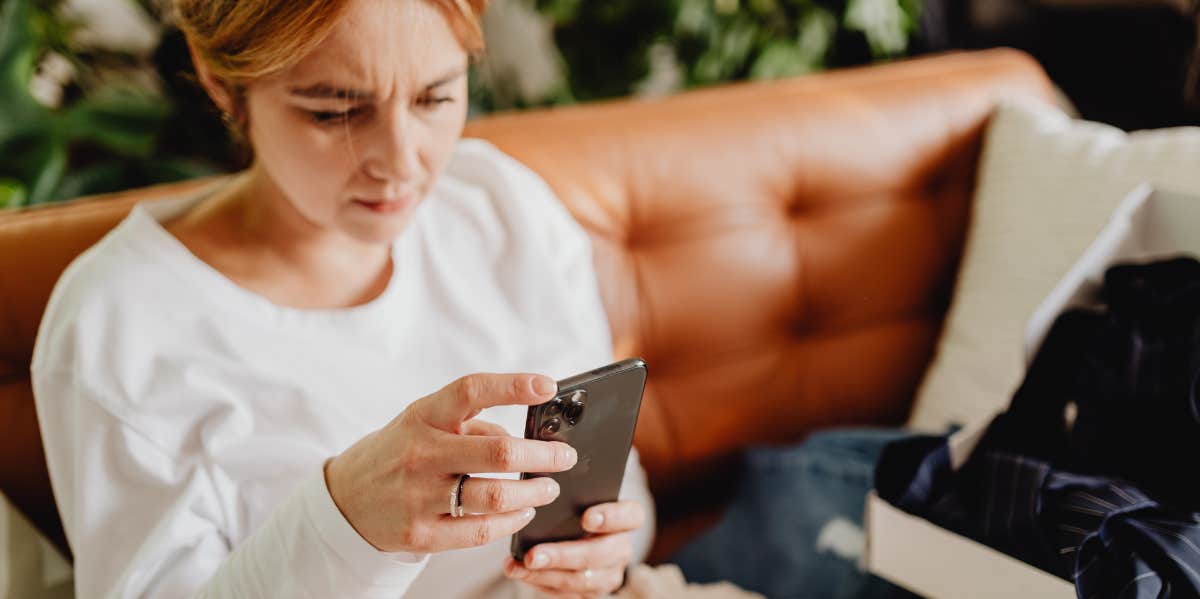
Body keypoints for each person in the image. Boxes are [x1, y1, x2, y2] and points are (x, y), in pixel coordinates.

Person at [29, 0, 653, 597]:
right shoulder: (120, 322)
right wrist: (345, 524)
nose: (401, 164)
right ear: (219, 78)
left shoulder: (497, 205)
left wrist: (598, 562)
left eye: (435, 96)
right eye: (335, 112)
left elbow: (624, 505)